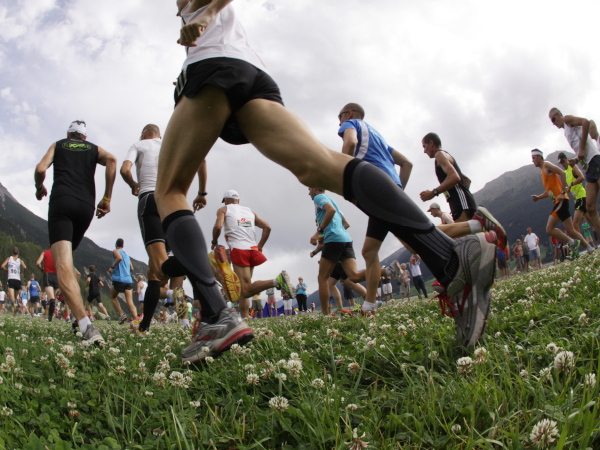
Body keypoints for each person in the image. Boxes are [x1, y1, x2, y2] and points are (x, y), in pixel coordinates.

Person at [156, 0, 496, 362]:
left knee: (169, 191)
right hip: (250, 72)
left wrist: (206, 14)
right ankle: (450, 260)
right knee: (320, 166)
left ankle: (213, 314)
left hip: (213, 68)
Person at [34, 120, 116, 343]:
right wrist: (107, 198)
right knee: (68, 264)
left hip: (62, 203)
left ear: (68, 134)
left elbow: (40, 169)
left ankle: (86, 326)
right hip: (86, 207)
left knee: (62, 266)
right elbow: (112, 160)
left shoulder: (58, 145)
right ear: (84, 138)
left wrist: (39, 186)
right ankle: (78, 317)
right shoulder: (94, 149)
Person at [337, 103, 413, 309]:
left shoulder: (351, 124)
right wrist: (398, 190)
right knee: (369, 251)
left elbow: (350, 142)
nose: (339, 123)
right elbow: (407, 164)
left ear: (349, 114)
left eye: (340, 117)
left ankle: (474, 229)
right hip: (389, 189)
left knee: (413, 241)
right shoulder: (377, 136)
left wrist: (343, 172)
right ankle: (370, 305)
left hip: (377, 188)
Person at [119, 124, 190, 332]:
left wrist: (133, 184)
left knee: (157, 269)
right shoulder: (169, 144)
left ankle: (204, 265)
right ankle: (151, 325)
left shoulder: (138, 145)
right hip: (173, 201)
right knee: (156, 270)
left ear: (144, 134)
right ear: (159, 134)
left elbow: (124, 170)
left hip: (150, 199)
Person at [212, 189, 294, 319]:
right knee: (245, 287)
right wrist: (260, 245)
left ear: (226, 200)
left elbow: (218, 227)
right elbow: (267, 227)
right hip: (252, 249)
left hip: (239, 250)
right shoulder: (249, 211)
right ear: (238, 200)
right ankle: (245, 317)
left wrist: (214, 241)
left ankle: (277, 281)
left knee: (244, 290)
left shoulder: (224, 209)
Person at [549, 108, 600, 243]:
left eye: (554, 119)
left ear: (559, 114)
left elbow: (586, 122)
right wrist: (577, 160)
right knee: (590, 207)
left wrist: (581, 149)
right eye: (551, 121)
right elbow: (580, 151)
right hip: (588, 167)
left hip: (595, 160)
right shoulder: (566, 132)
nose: (553, 123)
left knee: (589, 208)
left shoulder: (567, 119)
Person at [530, 149, 592, 258]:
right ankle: (590, 249)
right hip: (560, 201)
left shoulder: (546, 165)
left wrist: (563, 193)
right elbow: (549, 192)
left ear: (539, 157)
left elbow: (562, 173)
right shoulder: (543, 172)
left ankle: (572, 243)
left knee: (549, 229)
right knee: (571, 231)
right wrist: (538, 197)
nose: (532, 160)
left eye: (534, 158)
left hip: (561, 201)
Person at [420, 132, 477, 222]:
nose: (424, 151)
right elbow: (466, 180)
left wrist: (433, 192)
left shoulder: (440, 155)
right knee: (467, 230)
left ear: (431, 143)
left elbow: (455, 177)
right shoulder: (443, 157)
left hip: (461, 204)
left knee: (463, 231)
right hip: (461, 202)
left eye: (424, 146)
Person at [557, 152, 592, 235]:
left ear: (566, 159)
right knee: (592, 220)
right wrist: (566, 190)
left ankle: (583, 242)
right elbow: (570, 187)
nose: (562, 164)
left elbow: (581, 177)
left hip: (581, 196)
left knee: (575, 224)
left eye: (563, 161)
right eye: (561, 163)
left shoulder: (572, 166)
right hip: (576, 198)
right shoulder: (565, 172)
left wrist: (571, 184)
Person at [108, 238, 138, 324]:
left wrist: (112, 267)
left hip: (118, 279)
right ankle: (136, 320)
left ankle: (122, 314)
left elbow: (119, 258)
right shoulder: (127, 255)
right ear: (123, 246)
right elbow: (132, 268)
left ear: (116, 245)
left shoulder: (115, 251)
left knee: (113, 297)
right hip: (128, 280)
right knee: (130, 302)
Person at [2, 247, 26, 317]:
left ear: (12, 253)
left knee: (12, 298)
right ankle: (15, 312)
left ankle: (15, 306)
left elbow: (2, 266)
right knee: (15, 298)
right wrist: (23, 273)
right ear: (19, 253)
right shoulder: (20, 261)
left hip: (11, 279)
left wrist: (7, 270)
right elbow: (25, 267)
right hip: (18, 280)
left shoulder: (9, 259)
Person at [36, 246, 59, 321]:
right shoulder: (58, 254)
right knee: (53, 298)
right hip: (57, 276)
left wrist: (41, 268)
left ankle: (49, 317)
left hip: (48, 275)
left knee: (51, 299)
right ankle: (50, 316)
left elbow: (38, 263)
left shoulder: (44, 253)